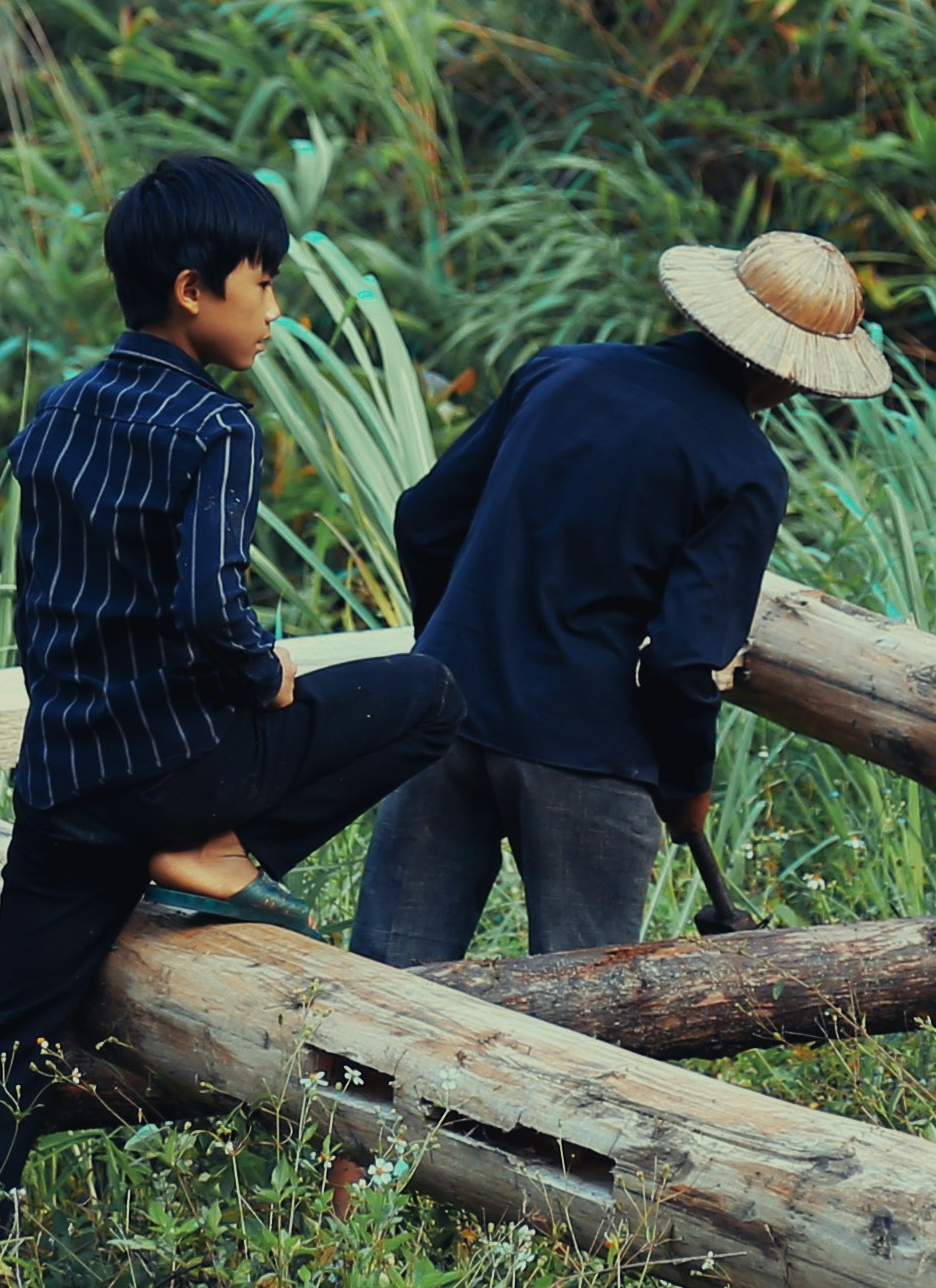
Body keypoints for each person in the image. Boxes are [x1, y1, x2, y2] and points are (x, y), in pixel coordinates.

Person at [0, 155, 466, 1213]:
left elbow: (42, 599)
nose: (274, 308)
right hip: (178, 776)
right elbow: (213, 610)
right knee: (430, 694)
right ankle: (220, 858)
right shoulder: (216, 426)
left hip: (65, 786)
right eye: (260, 282)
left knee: (9, 1043)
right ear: (193, 290)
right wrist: (265, 671)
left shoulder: (62, 408)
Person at [355, 232, 890, 965]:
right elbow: (680, 661)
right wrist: (687, 786)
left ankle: (336, 1088)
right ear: (788, 374)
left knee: (387, 982)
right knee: (579, 1019)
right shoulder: (744, 469)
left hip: (442, 715)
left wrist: (452, 655)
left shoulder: (559, 373)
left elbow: (424, 520)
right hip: (585, 757)